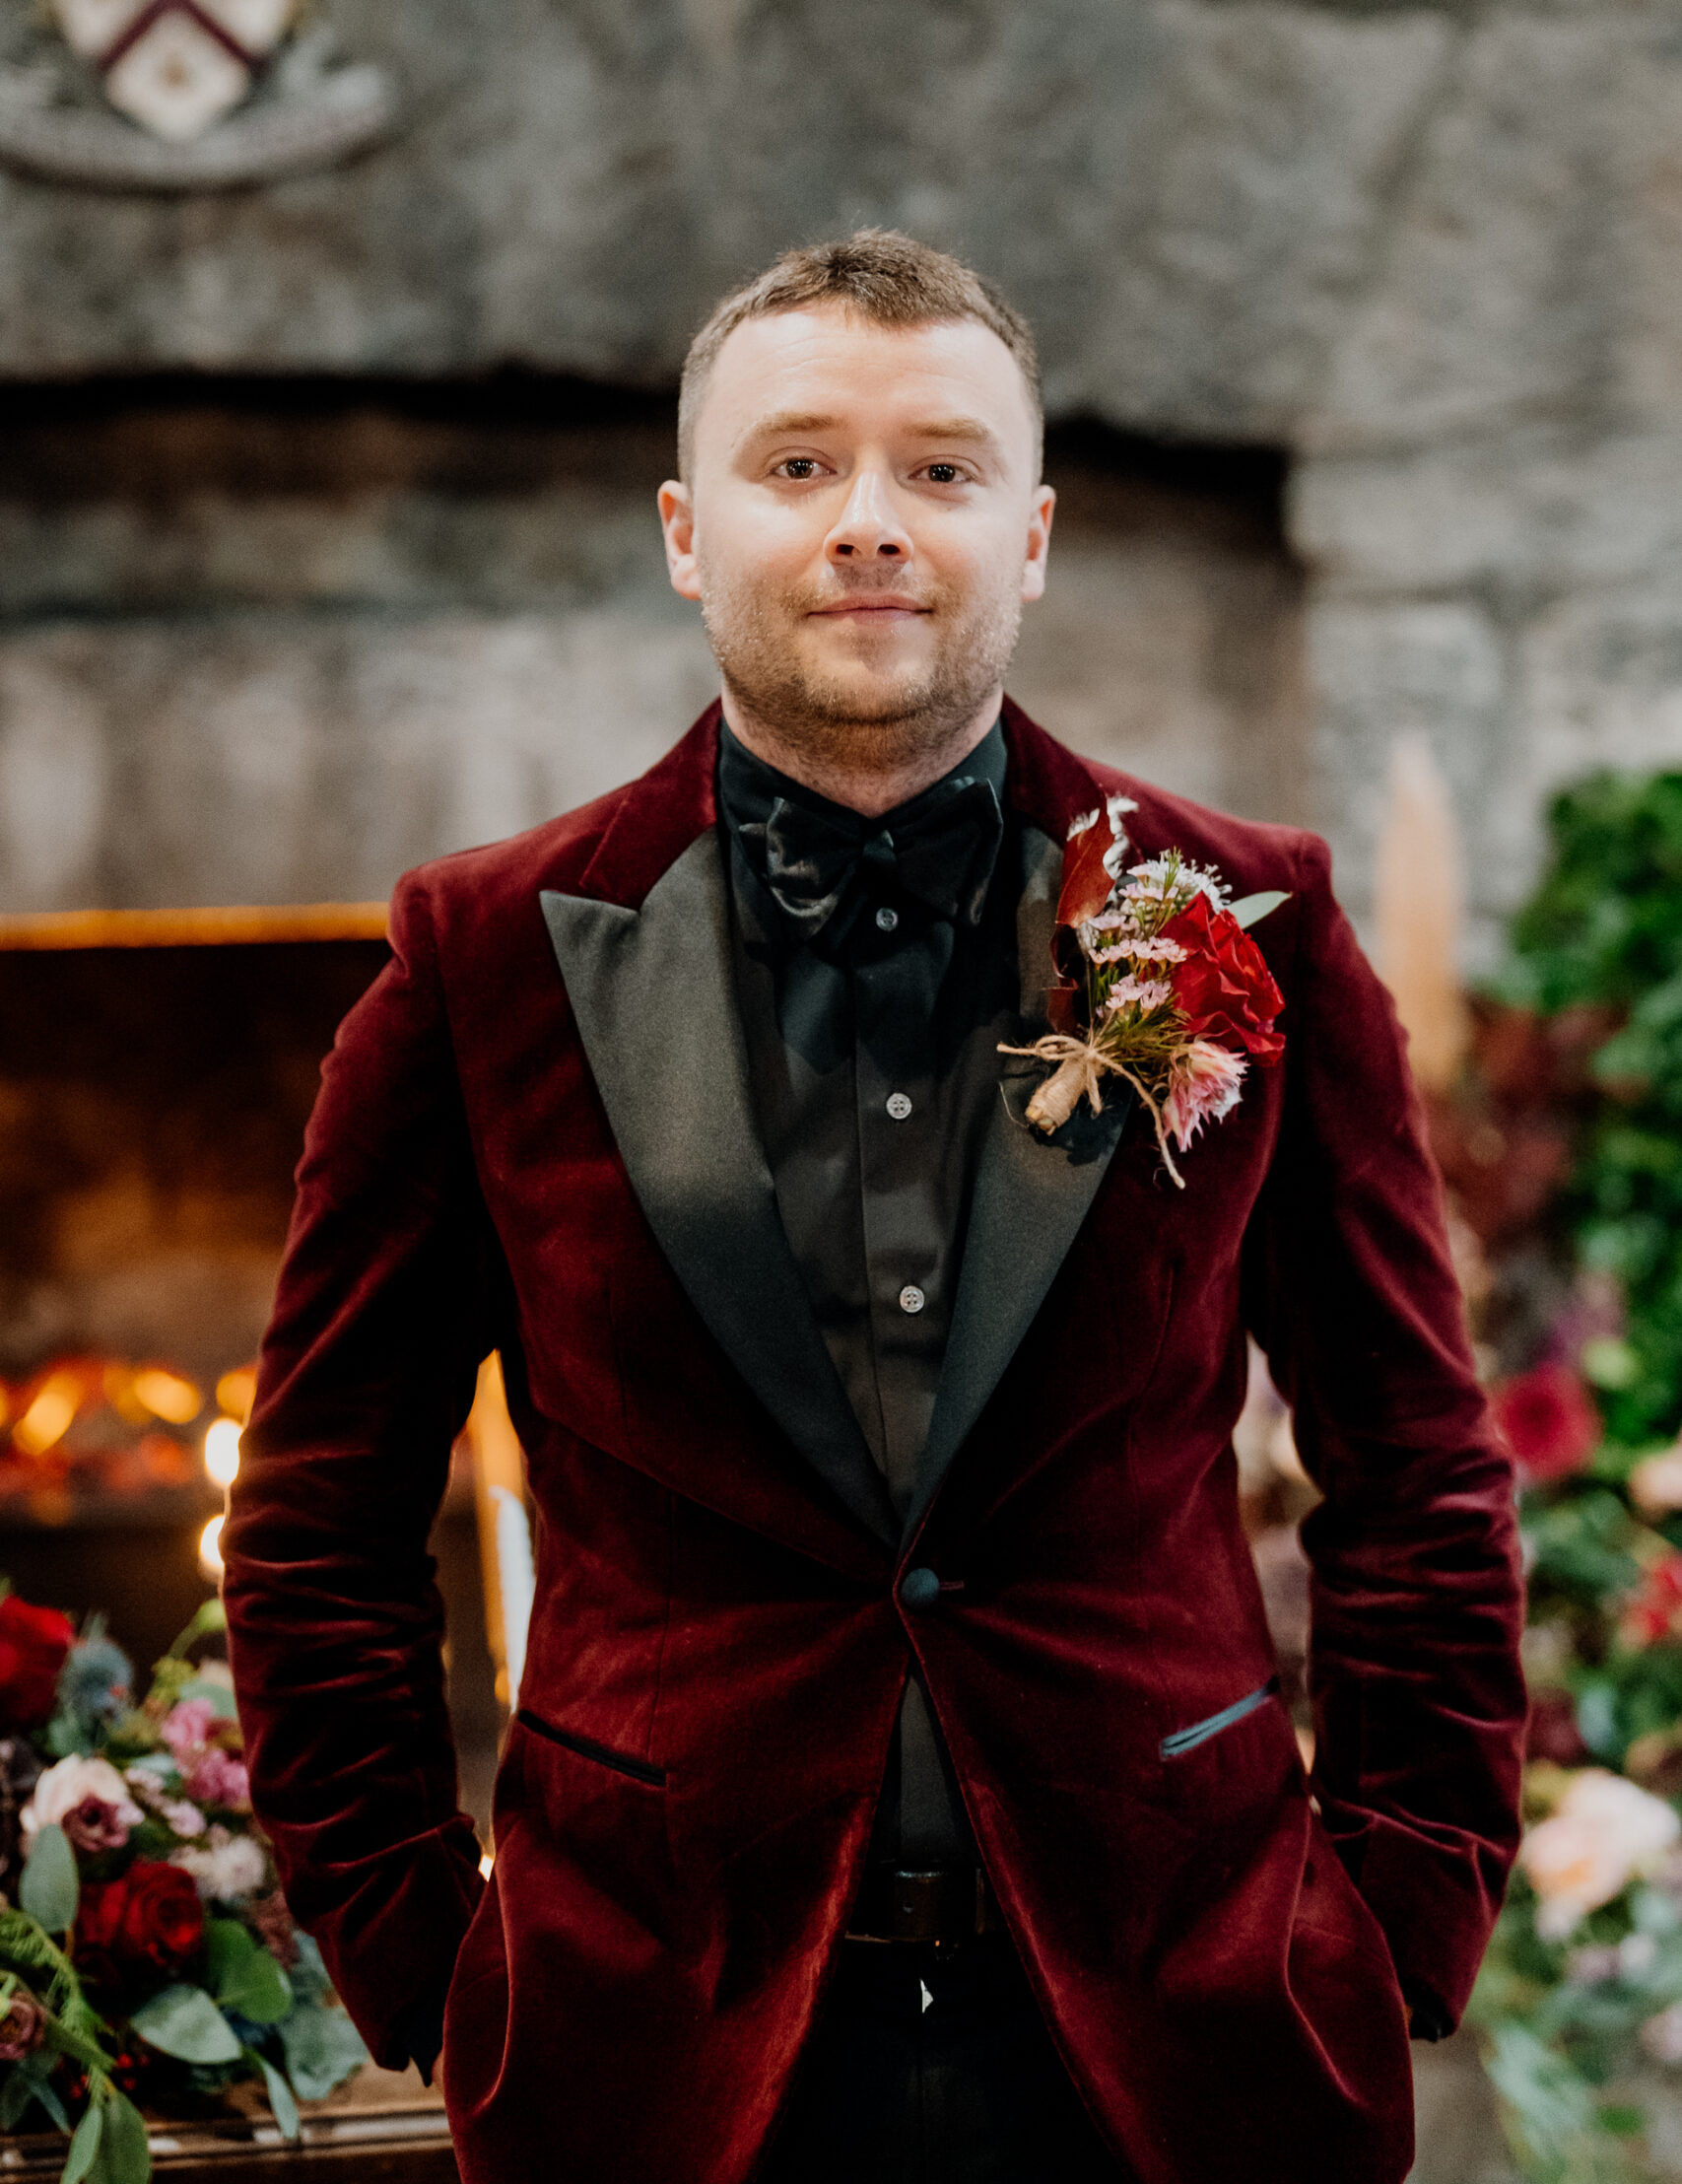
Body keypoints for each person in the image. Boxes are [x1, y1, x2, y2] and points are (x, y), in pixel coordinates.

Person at [223, 230, 1527, 2184]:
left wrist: (1403, 1909)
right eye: (796, 462)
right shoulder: (474, 964)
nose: (867, 524)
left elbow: (1416, 1469)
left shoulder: (1245, 921)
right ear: (685, 528)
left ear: (1030, 535)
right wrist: (418, 1953)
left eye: (938, 466)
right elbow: (320, 1517)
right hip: (647, 2061)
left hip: (1179, 2046)